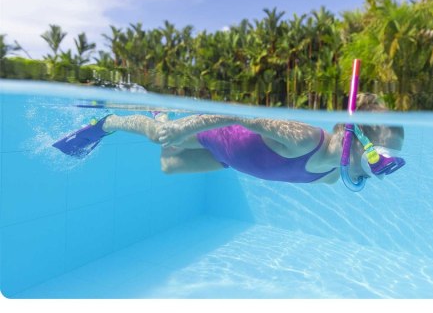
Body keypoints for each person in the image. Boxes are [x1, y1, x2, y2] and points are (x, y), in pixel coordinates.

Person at [53, 93, 404, 185]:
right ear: (357, 140)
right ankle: (108, 122)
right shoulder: (305, 138)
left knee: (169, 165)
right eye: (381, 157)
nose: (380, 168)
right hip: (219, 134)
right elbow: (238, 115)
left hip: (229, 157)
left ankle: (161, 115)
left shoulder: (329, 177)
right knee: (162, 136)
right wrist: (183, 129)